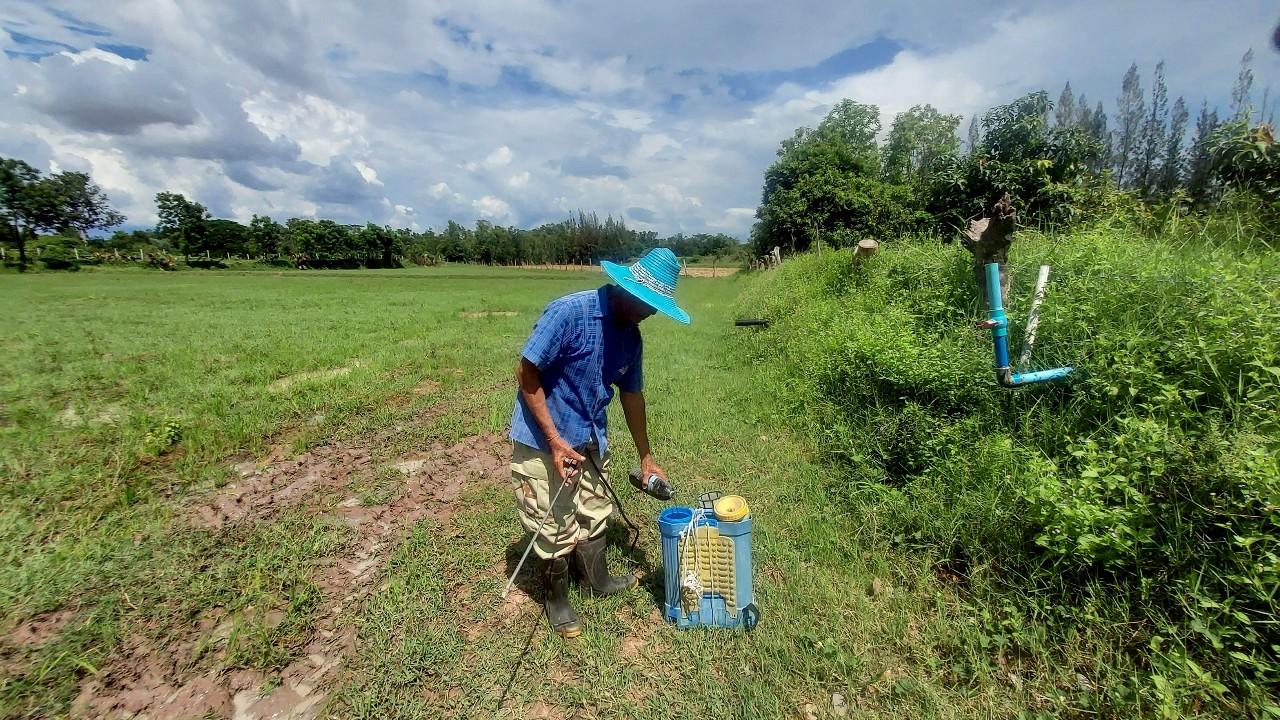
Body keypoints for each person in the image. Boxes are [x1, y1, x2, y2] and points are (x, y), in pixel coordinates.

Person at [509, 247, 690, 638]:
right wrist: (555, 441)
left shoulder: (632, 338)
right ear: (628, 290)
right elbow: (525, 373)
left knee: (595, 508)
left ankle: (596, 578)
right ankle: (556, 599)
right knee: (551, 519)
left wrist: (646, 457)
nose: (653, 312)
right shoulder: (570, 313)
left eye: (659, 305)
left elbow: (632, 395)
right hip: (544, 438)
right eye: (650, 303)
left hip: (590, 434)